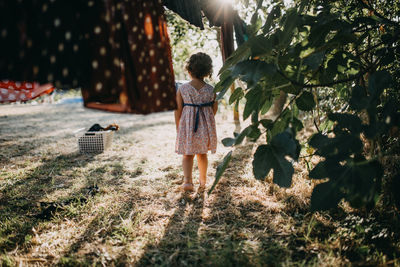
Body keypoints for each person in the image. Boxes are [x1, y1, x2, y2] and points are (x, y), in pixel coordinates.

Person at [175, 52, 218, 192]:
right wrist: (206, 122)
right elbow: (214, 109)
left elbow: (178, 109)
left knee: (187, 154)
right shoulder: (211, 89)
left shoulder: (183, 89)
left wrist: (178, 127)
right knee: (202, 154)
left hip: (188, 127)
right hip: (205, 127)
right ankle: (203, 180)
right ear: (207, 71)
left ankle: (188, 182)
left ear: (189, 70)